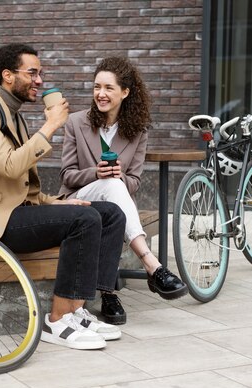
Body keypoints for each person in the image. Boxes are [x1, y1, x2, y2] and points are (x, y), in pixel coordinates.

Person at [0, 43, 127, 351]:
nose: (40, 81)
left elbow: (24, 188)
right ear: (8, 75)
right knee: (84, 219)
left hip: (14, 213)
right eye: (32, 73)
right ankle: (57, 319)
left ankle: (77, 310)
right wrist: (51, 126)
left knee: (109, 213)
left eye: (40, 74)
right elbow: (9, 165)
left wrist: (58, 203)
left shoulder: (14, 115)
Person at [59, 56, 188, 300]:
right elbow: (66, 176)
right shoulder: (76, 122)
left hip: (115, 202)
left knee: (115, 200)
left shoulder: (138, 131)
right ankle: (152, 265)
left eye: (109, 88)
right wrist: (96, 173)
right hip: (78, 198)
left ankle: (107, 294)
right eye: (97, 87)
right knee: (111, 186)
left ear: (125, 92)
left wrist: (118, 176)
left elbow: (134, 183)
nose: (101, 94)